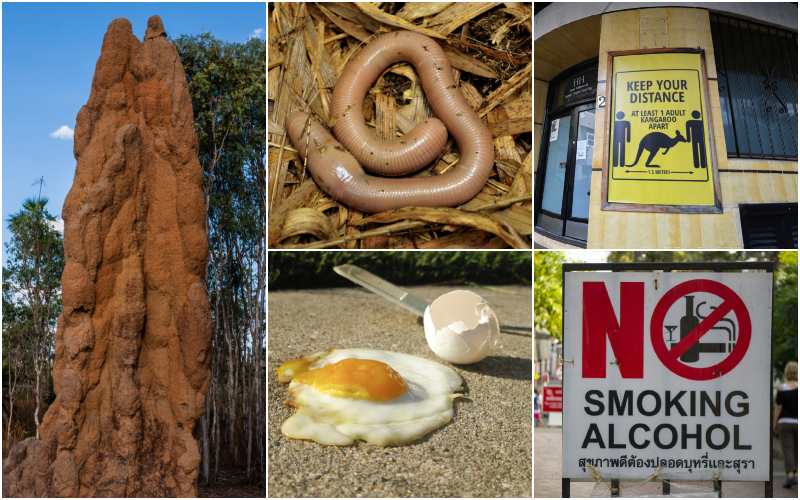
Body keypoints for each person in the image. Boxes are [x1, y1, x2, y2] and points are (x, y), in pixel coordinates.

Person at [775, 361, 798, 488]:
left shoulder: (782, 388)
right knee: (797, 449)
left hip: (785, 422)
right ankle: (795, 473)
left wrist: (775, 423)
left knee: (788, 449)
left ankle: (790, 476)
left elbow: (778, 407)